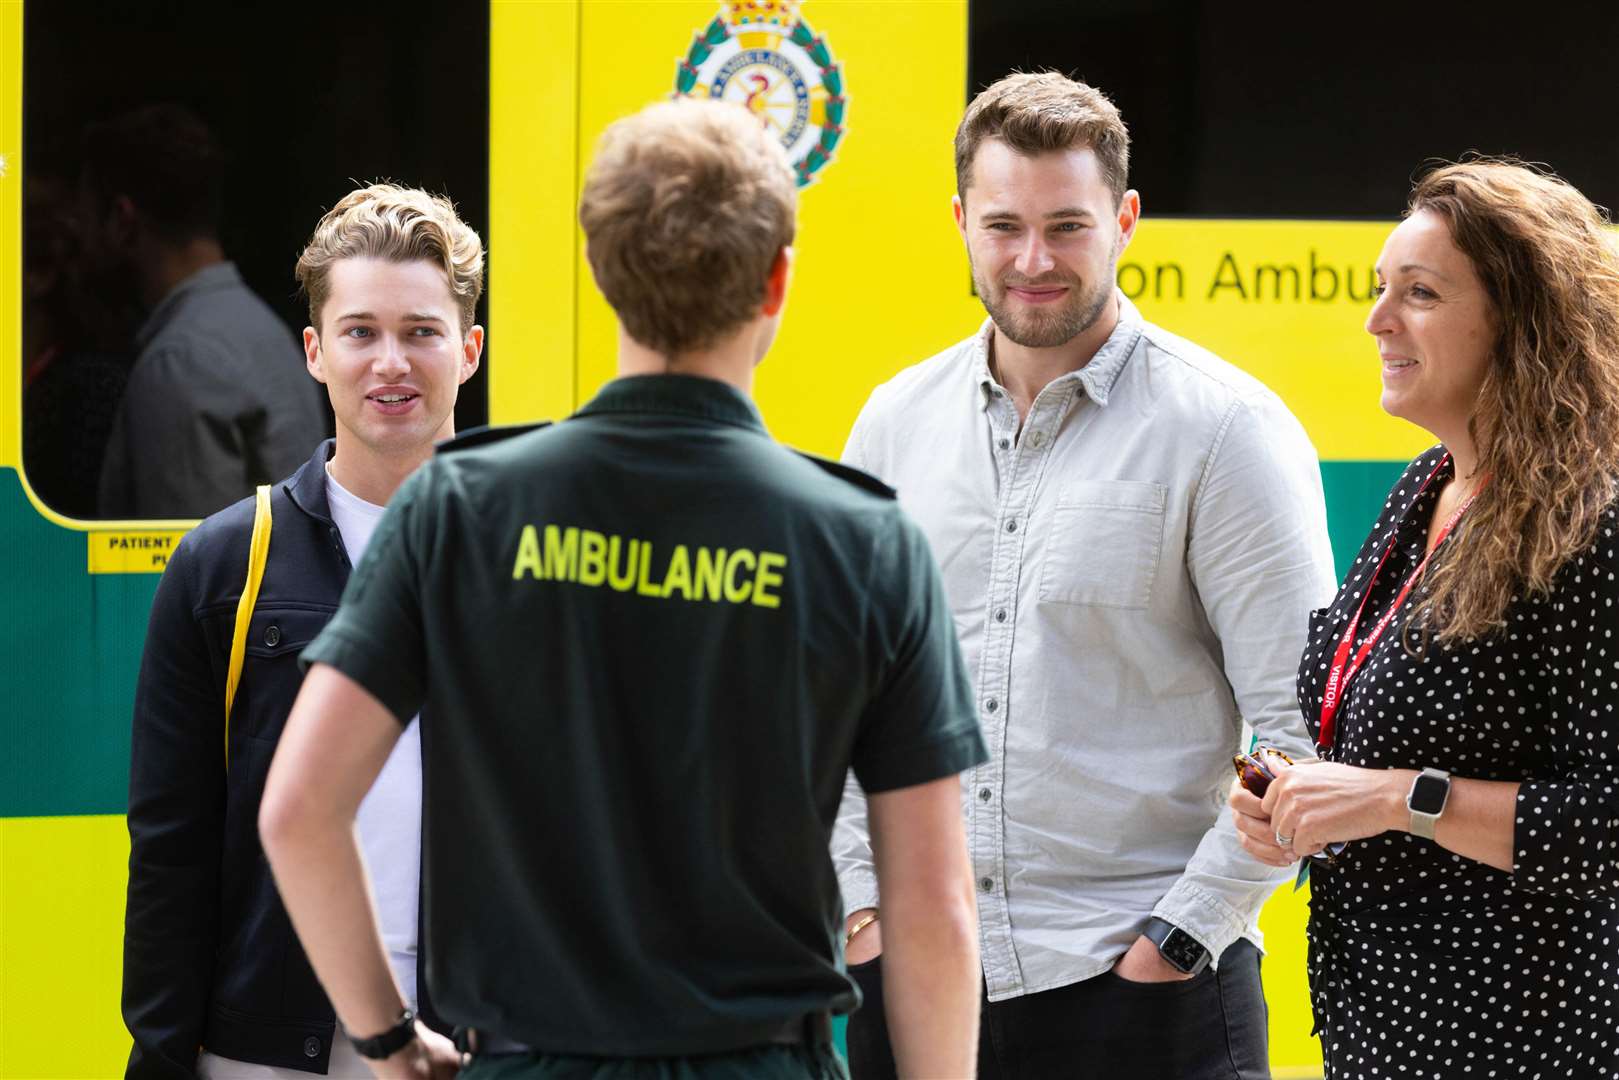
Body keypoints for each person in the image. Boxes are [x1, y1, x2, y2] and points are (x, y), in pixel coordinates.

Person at [258, 97, 987, 1080]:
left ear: (601, 272)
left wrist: (385, 1039)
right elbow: (933, 908)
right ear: (775, 281)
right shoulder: (864, 542)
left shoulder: (459, 510)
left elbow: (298, 809)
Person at [832, 71, 1337, 1079]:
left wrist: (1181, 938)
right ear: (959, 222)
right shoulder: (892, 422)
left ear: (1125, 220)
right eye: (1002, 225)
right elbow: (846, 698)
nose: (1031, 261)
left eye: (1066, 227)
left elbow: (1299, 729)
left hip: (1148, 995)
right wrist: (861, 909)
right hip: (921, 986)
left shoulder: (1225, 432)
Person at [1228, 159, 1619, 1079]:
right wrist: (1298, 798)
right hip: (1381, 1028)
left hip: (1522, 1041)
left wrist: (1392, 799)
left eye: (1420, 293)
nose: (1376, 321)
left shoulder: (1593, 525)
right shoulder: (1428, 485)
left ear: (1520, 318)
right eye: (1378, 291)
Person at [121, 183, 485, 1078]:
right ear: (314, 353)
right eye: (360, 332)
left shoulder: (521, 564)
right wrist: (162, 1057)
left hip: (478, 1044)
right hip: (271, 1052)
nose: (390, 363)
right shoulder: (224, 568)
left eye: (421, 332)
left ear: (469, 350)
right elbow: (172, 849)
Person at [83, 104, 327, 520]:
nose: (77, 237)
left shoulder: (178, 360)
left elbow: (189, 565)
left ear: (122, 220)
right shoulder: (261, 328)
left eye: (85, 215)